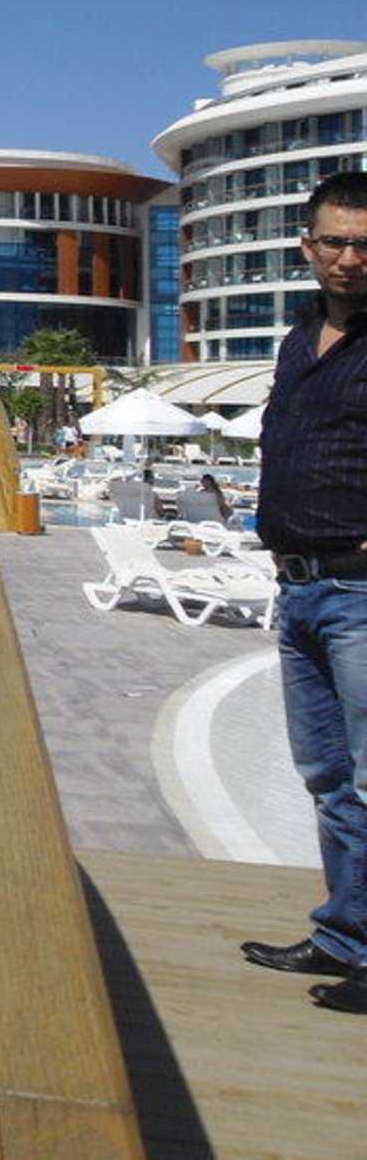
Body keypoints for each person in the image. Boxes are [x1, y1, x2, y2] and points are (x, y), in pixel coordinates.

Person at [241, 170, 367, 1014]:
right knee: (328, 776)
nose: (350, 258)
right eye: (335, 242)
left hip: (360, 591)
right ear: (307, 247)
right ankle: (345, 934)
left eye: (365, 245)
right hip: (300, 589)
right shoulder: (299, 338)